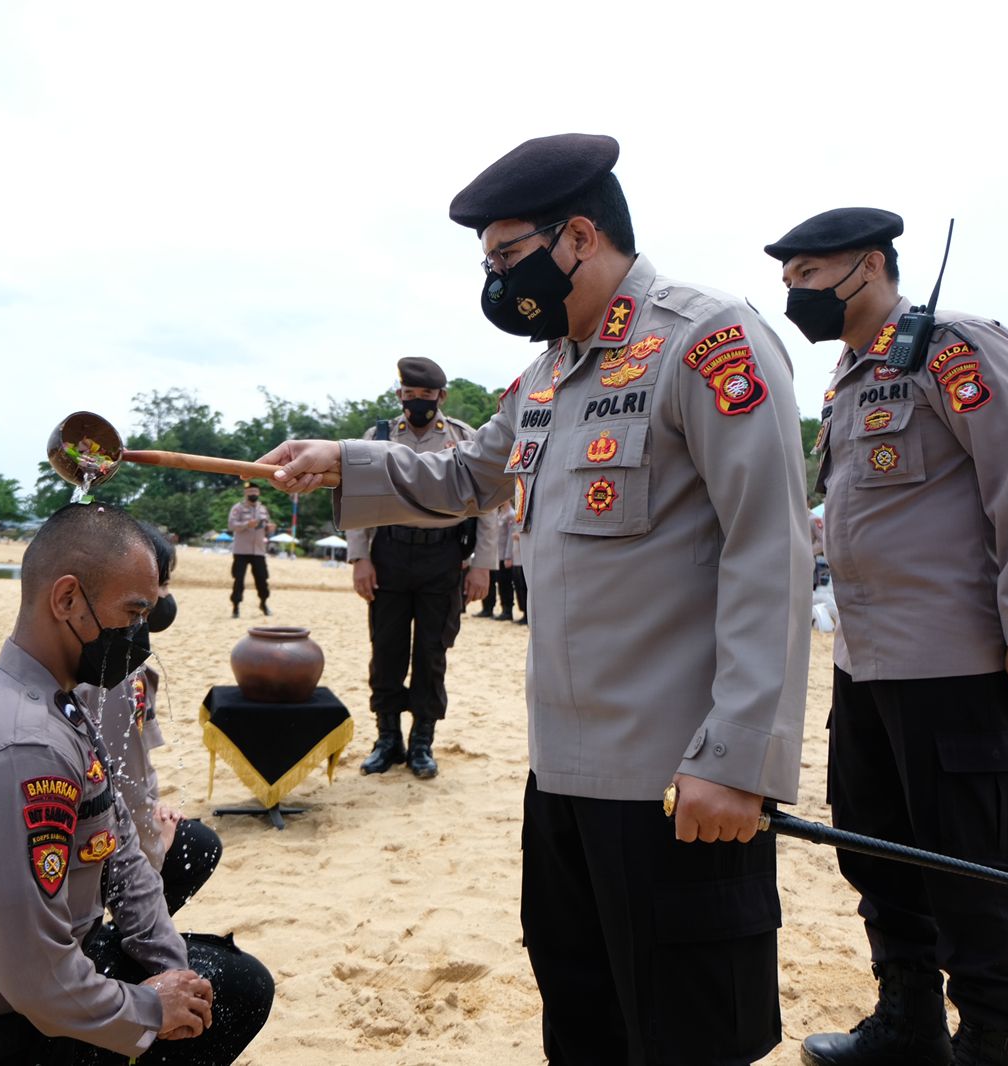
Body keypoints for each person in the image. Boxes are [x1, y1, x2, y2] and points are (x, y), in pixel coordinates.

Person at [262, 133, 812, 1065]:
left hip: (677, 778)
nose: (497, 281)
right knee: (582, 1005)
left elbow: (771, 551)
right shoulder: (549, 373)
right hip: (561, 770)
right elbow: (462, 477)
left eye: (509, 258)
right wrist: (341, 462)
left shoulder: (706, 340)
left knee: (685, 1031)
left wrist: (740, 757)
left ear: (581, 236)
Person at [764, 207, 1008, 1066]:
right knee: (877, 851)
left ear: (868, 265)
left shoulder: (953, 346)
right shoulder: (849, 377)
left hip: (953, 661)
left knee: (974, 867)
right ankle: (910, 1020)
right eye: (787, 280)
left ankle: (991, 1041)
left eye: (809, 275)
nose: (796, 293)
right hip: (866, 661)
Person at [0, 502, 272, 1065]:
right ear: (66, 600)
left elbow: (122, 849)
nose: (140, 636)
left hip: (30, 984)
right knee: (232, 995)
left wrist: (169, 967)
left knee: (218, 980)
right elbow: (35, 981)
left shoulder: (57, 703)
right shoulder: (22, 748)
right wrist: (151, 1009)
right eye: (133, 613)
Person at [345, 356, 500, 780]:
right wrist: (360, 558)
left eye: (426, 396)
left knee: (432, 654)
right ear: (399, 395)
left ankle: (422, 742)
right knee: (388, 650)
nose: (417, 403)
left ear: (441, 397)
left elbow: (488, 506)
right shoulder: (376, 439)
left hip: (444, 557)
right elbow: (356, 501)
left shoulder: (466, 439)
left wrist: (482, 566)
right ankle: (387, 739)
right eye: (409, 396)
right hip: (390, 554)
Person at [81, 521, 223, 918]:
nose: (164, 596)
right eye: (161, 583)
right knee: (199, 845)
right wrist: (153, 839)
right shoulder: (118, 672)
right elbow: (124, 777)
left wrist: (154, 807)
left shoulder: (91, 652)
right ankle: (129, 943)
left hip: (93, 823)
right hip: (95, 842)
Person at [226, 484, 274, 618]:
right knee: (238, 579)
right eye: (250, 492)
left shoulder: (263, 509)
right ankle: (236, 607)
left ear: (259, 493)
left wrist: (269, 528)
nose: (253, 494)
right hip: (241, 550)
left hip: (259, 551)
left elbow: (266, 527)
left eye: (256, 492)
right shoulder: (238, 508)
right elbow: (231, 525)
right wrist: (246, 525)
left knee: (262, 579)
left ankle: (263, 603)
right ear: (245, 493)